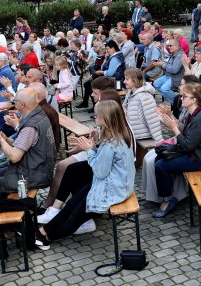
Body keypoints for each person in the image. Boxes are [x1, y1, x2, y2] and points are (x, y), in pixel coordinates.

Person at [35, 100, 135, 248]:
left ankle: (47, 236)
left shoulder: (111, 144)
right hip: (113, 183)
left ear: (106, 119)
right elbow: (103, 164)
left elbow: (100, 172)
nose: (94, 117)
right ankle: (44, 230)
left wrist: (89, 150)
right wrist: (94, 144)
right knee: (72, 204)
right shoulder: (116, 135)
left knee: (75, 215)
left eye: (97, 115)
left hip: (114, 189)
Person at [0, 88, 56, 217]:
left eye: (15, 101)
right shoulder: (39, 115)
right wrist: (7, 139)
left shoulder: (31, 125)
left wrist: (1, 140)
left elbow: (14, 157)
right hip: (35, 166)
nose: (13, 103)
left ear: (22, 104)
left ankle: (9, 221)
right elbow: (27, 144)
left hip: (33, 173)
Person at [152, 82, 201, 218]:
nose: (181, 99)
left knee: (161, 166)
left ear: (193, 100)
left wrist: (174, 128)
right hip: (193, 153)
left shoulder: (200, 117)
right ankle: (173, 194)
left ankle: (168, 200)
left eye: (184, 96)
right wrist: (168, 118)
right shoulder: (193, 112)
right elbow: (184, 131)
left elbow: (188, 145)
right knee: (159, 158)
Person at [123, 68, 163, 142]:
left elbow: (152, 119)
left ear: (135, 81)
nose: (124, 81)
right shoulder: (130, 93)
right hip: (134, 134)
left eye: (127, 79)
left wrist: (159, 141)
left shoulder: (144, 96)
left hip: (142, 135)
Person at [153, 39, 185, 103]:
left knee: (164, 89)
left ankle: (178, 102)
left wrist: (163, 65)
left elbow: (174, 70)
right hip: (169, 75)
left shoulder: (179, 55)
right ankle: (172, 101)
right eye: (168, 46)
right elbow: (168, 67)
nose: (169, 47)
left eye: (170, 46)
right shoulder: (173, 53)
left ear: (177, 46)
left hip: (176, 77)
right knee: (156, 84)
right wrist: (160, 65)